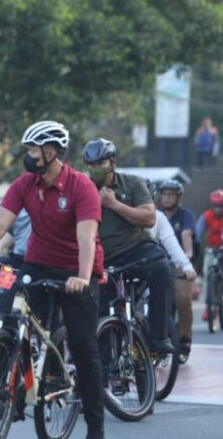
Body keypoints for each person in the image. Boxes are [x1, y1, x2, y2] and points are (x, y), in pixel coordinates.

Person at [0, 121, 105, 439]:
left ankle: (96, 427)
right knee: (10, 316)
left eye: (32, 150)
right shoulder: (25, 184)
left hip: (77, 270)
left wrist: (82, 277)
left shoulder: (81, 187)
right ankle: (16, 386)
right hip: (37, 264)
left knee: (83, 347)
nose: (27, 156)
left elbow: (87, 238)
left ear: (50, 152)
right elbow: (0, 223)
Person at [82, 138, 175, 355]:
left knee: (162, 269)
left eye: (100, 163)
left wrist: (114, 204)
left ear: (112, 162)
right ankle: (103, 375)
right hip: (101, 258)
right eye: (90, 165)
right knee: (97, 312)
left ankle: (158, 338)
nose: (94, 169)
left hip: (137, 250)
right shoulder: (83, 188)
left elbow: (149, 218)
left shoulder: (132, 183)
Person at [156, 179, 196, 356]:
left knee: (183, 300)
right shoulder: (154, 214)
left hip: (178, 265)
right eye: (164, 194)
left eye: (171, 194)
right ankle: (157, 338)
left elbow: (187, 234)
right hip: (157, 265)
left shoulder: (186, 215)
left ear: (178, 197)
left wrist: (187, 255)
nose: (166, 198)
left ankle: (184, 338)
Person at [195, 189, 223, 321]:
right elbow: (197, 232)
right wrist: (196, 242)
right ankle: (208, 307)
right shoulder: (206, 216)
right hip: (211, 250)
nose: (218, 209)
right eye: (215, 206)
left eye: (220, 206)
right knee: (207, 275)